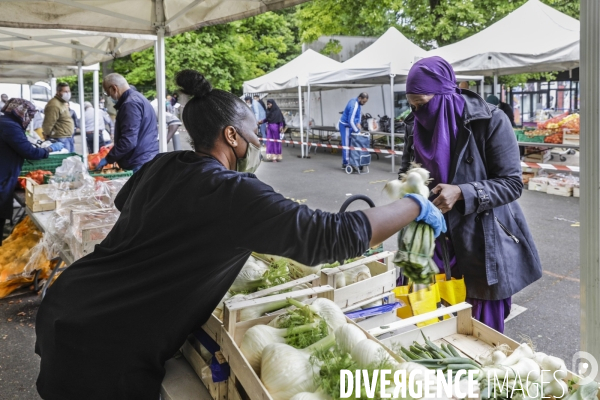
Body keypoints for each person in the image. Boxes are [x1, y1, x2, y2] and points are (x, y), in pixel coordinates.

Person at [34, 69, 446, 399]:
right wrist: (414, 206)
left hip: (72, 306)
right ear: (232, 136)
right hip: (109, 349)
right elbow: (331, 237)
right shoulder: (232, 192)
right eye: (253, 135)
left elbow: (138, 217)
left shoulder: (164, 164)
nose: (260, 143)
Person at [401, 56, 542, 333]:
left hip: (481, 242)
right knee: (432, 324)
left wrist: (463, 192)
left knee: (480, 331)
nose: (418, 113)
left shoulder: (490, 121)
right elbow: (406, 175)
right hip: (434, 241)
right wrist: (412, 193)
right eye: (413, 106)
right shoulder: (414, 125)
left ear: (443, 95)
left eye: (423, 104)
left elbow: (512, 183)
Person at [0, 99, 63, 241]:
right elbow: (30, 153)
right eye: (30, 115)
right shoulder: (10, 127)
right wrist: (50, 149)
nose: (30, 120)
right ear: (22, 113)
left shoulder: (5, 121)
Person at [100, 73, 159, 173]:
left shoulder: (130, 104)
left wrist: (109, 158)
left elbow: (129, 140)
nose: (109, 97)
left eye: (108, 93)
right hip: (145, 156)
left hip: (140, 159)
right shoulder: (138, 98)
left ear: (114, 88)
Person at [42, 82, 75, 152]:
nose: (68, 93)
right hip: (60, 137)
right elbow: (48, 123)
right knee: (66, 159)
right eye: (65, 91)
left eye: (69, 91)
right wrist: (46, 134)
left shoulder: (62, 102)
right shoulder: (54, 105)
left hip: (66, 136)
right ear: (58, 92)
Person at [338, 92, 368, 168]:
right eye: (363, 101)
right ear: (360, 98)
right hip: (345, 126)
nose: (364, 103)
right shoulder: (354, 104)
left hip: (351, 125)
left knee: (352, 144)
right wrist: (357, 131)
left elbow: (359, 114)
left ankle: (352, 161)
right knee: (346, 145)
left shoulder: (358, 103)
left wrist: (359, 123)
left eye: (365, 102)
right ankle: (346, 163)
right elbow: (350, 120)